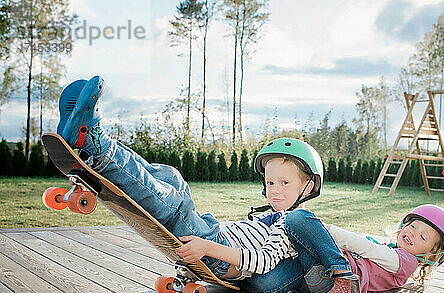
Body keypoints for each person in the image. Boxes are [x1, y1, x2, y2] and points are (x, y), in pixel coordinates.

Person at [56, 75, 350, 282]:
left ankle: (97, 147)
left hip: (215, 250)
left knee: (172, 205)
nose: (274, 191)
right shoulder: (266, 218)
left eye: (285, 184)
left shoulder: (291, 226)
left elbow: (262, 263)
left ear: (308, 187)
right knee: (172, 178)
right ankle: (90, 140)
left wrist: (207, 247)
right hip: (212, 233)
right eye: (271, 183)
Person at [240, 204, 444, 293]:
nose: (412, 232)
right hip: (313, 284)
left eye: (422, 236)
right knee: (264, 281)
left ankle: (344, 276)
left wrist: (320, 231)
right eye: (412, 225)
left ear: (431, 256)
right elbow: (372, 246)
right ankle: (233, 270)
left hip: (330, 275)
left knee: (297, 218)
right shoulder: (394, 254)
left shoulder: (403, 262)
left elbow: (364, 247)